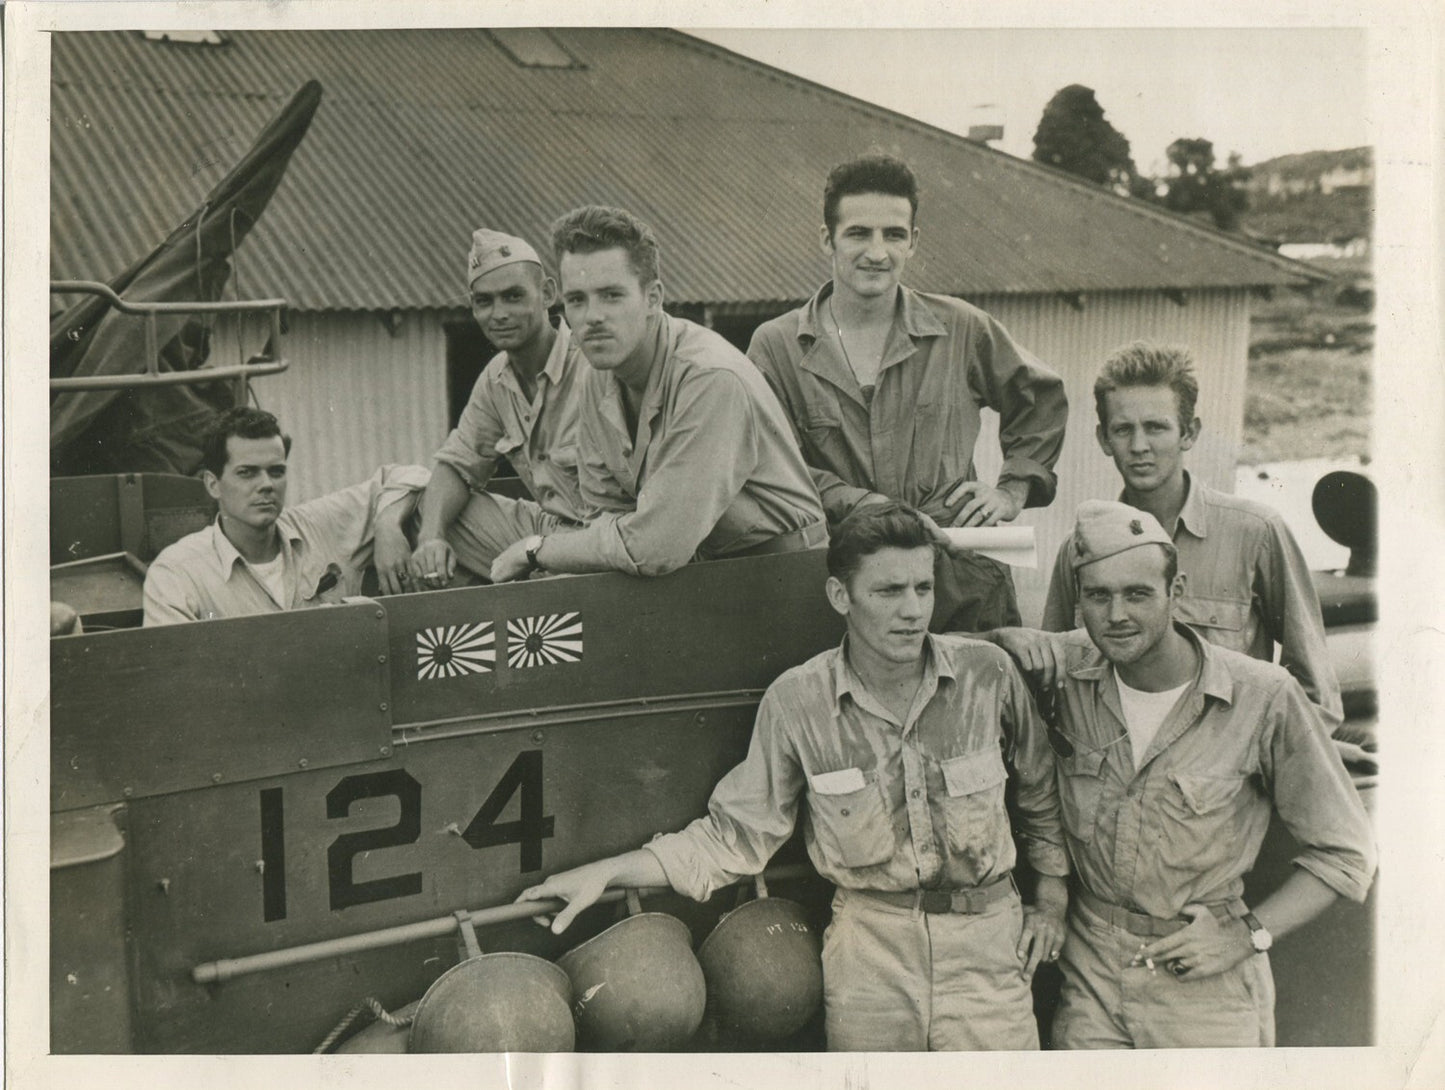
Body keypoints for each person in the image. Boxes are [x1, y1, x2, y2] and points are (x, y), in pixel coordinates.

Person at [516, 502, 1070, 1051]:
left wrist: (1051, 900)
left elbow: (1041, 791)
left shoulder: (986, 675)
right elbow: (735, 838)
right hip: (870, 959)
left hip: (987, 951)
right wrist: (608, 872)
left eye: (923, 589)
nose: (913, 611)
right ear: (840, 596)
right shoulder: (799, 702)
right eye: (888, 591)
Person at [988, 500, 1375, 1049]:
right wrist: (1002, 639)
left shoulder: (1262, 697)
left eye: (1137, 594)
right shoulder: (1068, 669)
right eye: (1097, 596)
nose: (1116, 615)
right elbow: (956, 660)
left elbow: (1347, 854)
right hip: (1090, 982)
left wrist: (1247, 935)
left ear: (1177, 591)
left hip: (1204, 987)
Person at [747, 154, 1068, 632]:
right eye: (859, 233)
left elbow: (1040, 399)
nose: (877, 253)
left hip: (960, 580)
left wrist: (1011, 491)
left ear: (913, 241)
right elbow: (767, 466)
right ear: (827, 239)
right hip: (845, 585)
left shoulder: (960, 327)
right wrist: (867, 508)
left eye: (893, 235)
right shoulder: (776, 347)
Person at [487, 205, 826, 582]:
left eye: (611, 295)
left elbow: (657, 546)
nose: (592, 317)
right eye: (577, 300)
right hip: (694, 572)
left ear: (653, 298)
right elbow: (602, 517)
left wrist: (537, 550)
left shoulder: (709, 378)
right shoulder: (598, 376)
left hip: (785, 574)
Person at [1039, 341, 1345, 734]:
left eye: (1156, 427)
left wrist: (1264, 758)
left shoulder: (1256, 533)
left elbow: (1315, 693)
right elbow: (1053, 677)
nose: (1139, 446)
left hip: (1228, 766)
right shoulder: (1080, 548)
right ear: (1103, 439)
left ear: (1189, 433)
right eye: (1123, 429)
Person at [407, 228, 589, 590]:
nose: (499, 314)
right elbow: (456, 464)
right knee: (427, 512)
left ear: (547, 293)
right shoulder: (496, 379)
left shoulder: (590, 365)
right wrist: (431, 538)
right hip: (552, 528)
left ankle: (536, 587)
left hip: (603, 540)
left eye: (513, 296)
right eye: (484, 301)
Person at [142, 407, 427, 624]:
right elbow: (174, 674)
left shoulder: (321, 525)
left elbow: (409, 476)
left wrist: (388, 524)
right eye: (247, 472)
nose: (266, 484)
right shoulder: (177, 574)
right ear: (213, 484)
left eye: (276, 471)